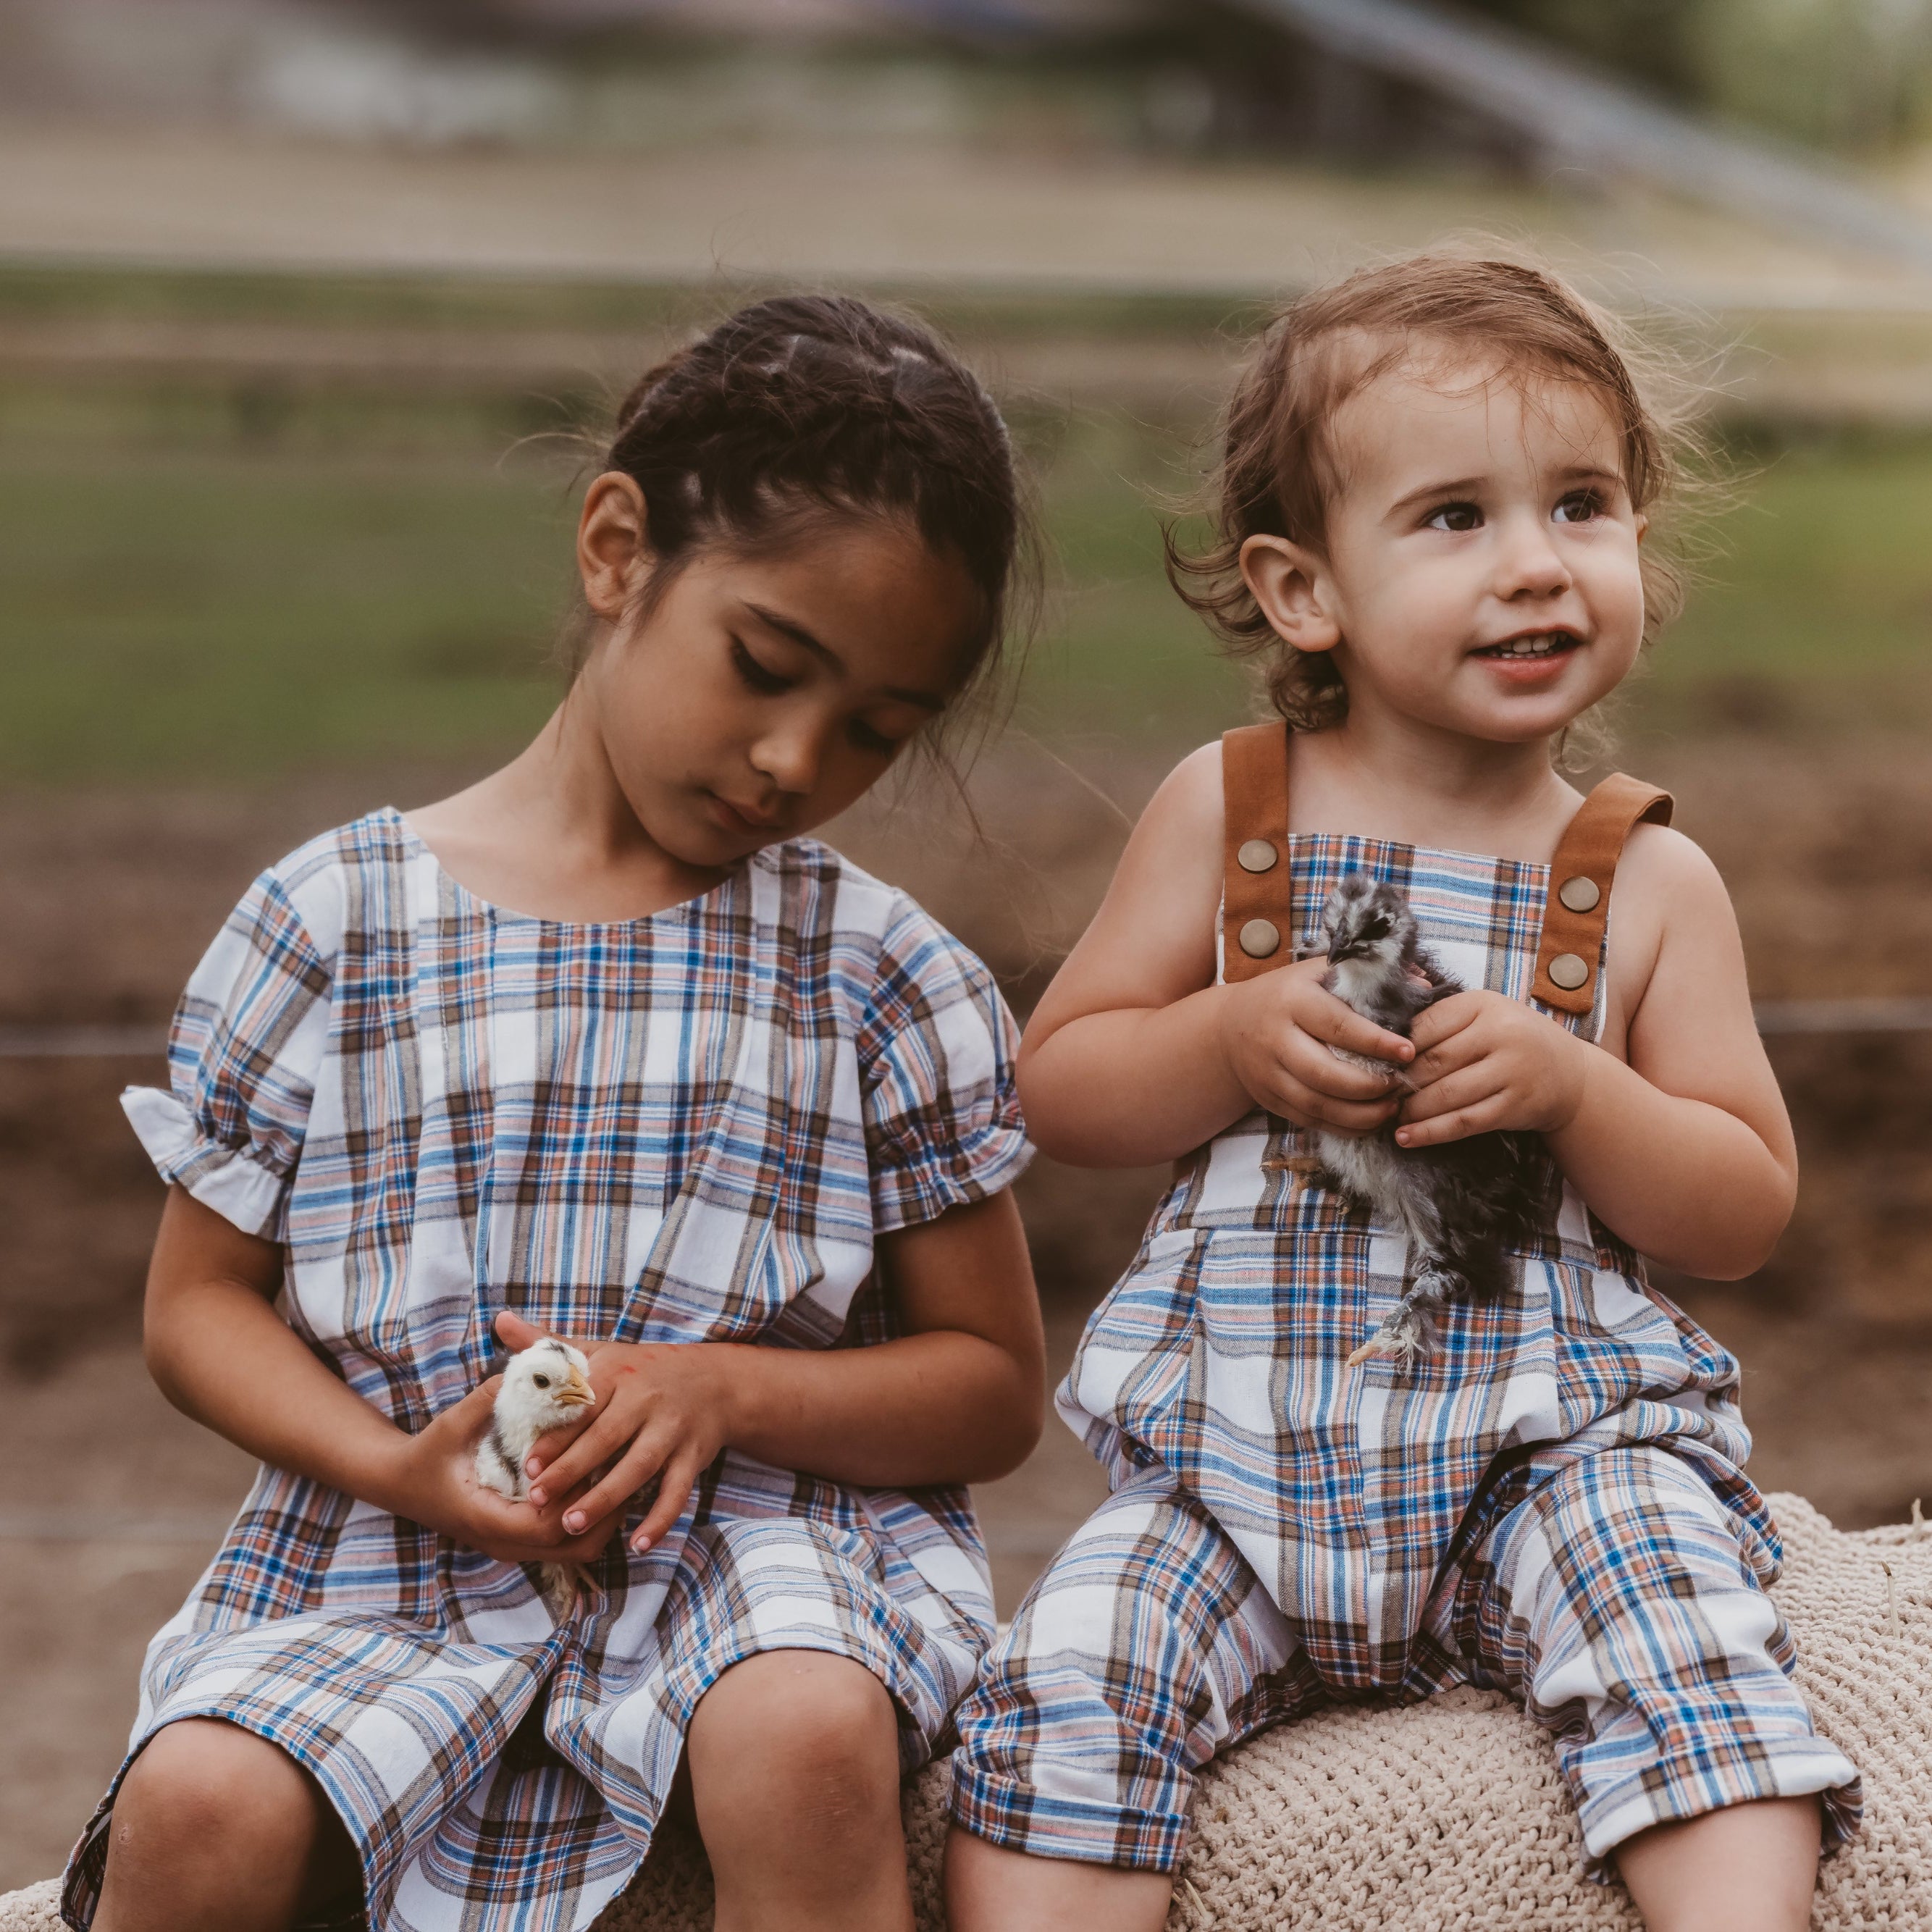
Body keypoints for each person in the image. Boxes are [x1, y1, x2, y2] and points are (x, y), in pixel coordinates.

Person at [70, 295, 1046, 1932]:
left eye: (879, 729)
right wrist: (400, 1466)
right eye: (764, 665)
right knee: (199, 1802)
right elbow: (194, 1312)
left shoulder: (881, 974)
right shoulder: (327, 924)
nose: (796, 757)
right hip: (387, 1549)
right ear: (616, 547)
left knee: (800, 1731)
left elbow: (993, 1386)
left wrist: (723, 1388)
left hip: (758, 1560)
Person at [944, 256, 1860, 1932]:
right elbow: (1058, 1087)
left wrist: (1577, 1084)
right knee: (1074, 1679)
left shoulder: (1645, 882)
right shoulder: (1228, 819)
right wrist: (1224, 1033)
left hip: (1548, 1455)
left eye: (1580, 504)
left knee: (1682, 1635)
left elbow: (1738, 1202)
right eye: (1453, 518)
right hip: (1235, 1467)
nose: (1535, 564)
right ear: (1303, 590)